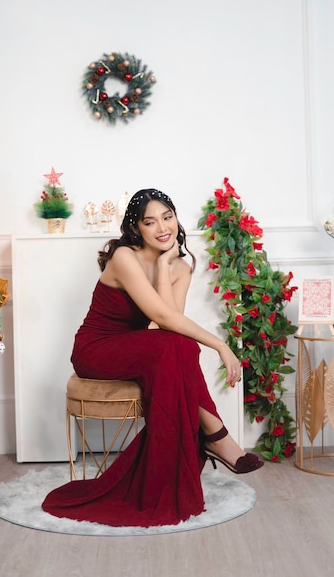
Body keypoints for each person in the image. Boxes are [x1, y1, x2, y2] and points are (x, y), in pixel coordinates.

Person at [42, 188, 263, 527]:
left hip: (135, 345)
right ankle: (217, 436)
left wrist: (163, 267)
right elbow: (165, 319)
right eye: (150, 222)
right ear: (137, 228)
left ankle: (214, 437)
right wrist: (221, 345)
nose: (162, 227)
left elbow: (167, 324)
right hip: (96, 349)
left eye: (167, 217)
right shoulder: (124, 257)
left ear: (176, 218)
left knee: (181, 345)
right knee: (181, 345)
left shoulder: (181, 267)